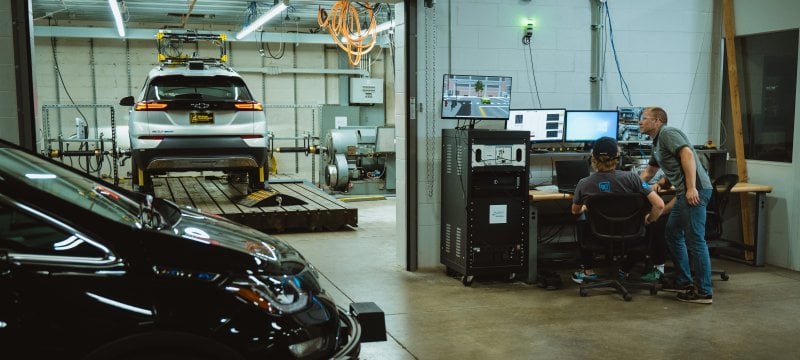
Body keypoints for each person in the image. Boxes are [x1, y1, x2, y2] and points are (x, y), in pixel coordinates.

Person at [639, 106, 715, 304]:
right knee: (672, 233)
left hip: (695, 191)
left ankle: (704, 291)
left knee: (696, 241)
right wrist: (638, 184)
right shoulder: (656, 143)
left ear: (657, 121)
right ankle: (683, 281)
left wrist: (691, 188)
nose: (640, 121)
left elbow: (687, 155)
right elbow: (648, 173)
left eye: (644, 118)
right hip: (685, 193)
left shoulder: (668, 133)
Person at [570, 136, 665, 284]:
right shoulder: (634, 179)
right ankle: (625, 270)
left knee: (581, 221)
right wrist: (648, 220)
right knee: (648, 225)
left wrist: (588, 207)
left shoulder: (584, 184)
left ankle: (588, 271)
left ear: (593, 159)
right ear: (618, 159)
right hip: (632, 238)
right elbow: (659, 205)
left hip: (598, 238)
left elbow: (575, 211)